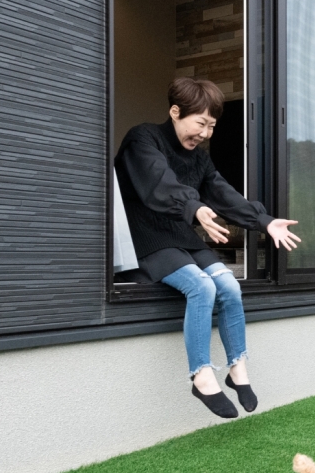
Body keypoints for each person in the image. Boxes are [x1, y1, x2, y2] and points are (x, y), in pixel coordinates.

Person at [115, 77, 301, 418]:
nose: (204, 133)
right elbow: (159, 182)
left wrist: (264, 221)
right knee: (201, 287)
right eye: (200, 123)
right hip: (148, 238)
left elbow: (221, 192)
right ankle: (201, 374)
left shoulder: (199, 159)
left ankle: (237, 369)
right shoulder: (143, 139)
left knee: (228, 285)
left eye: (211, 126)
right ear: (175, 112)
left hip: (182, 239)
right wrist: (194, 207)